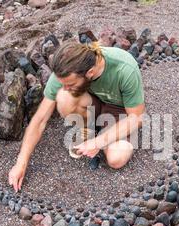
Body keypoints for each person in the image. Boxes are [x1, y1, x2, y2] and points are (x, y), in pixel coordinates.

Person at [8, 40, 146, 192]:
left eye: (71, 84)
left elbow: (137, 118)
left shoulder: (124, 68)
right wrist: (21, 162)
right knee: (64, 97)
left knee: (116, 159)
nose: (65, 87)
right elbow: (40, 119)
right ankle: (89, 129)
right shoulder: (65, 71)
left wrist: (98, 142)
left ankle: (102, 135)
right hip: (91, 102)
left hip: (119, 111)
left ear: (90, 73)